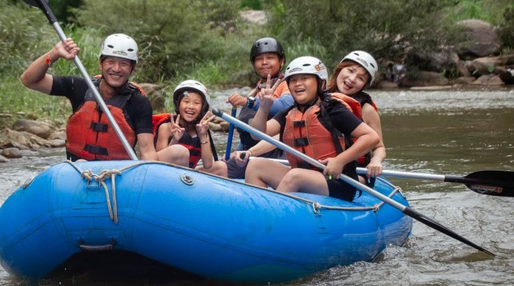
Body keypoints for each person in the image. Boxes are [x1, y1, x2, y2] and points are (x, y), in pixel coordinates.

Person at [20, 33, 188, 164]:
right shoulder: (80, 87)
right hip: (79, 169)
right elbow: (29, 80)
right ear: (101, 64)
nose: (116, 69)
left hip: (118, 173)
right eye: (111, 62)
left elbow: (147, 151)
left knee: (179, 153)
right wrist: (55, 53)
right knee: (82, 162)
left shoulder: (138, 101)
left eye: (124, 64)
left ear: (132, 69)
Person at [244, 56, 380, 201]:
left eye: (305, 78)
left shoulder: (333, 110)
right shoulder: (288, 113)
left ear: (320, 83)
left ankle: (270, 215)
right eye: (294, 80)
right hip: (304, 177)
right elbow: (257, 135)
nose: (298, 84)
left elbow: (371, 137)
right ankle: (258, 208)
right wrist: (264, 108)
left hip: (337, 180)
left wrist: (340, 161)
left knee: (295, 176)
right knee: (256, 166)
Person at [208, 37, 293, 178]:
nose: (264, 62)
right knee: (217, 166)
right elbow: (246, 134)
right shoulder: (256, 90)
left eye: (270, 57)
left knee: (217, 170)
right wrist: (234, 153)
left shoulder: (287, 85)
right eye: (259, 59)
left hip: (275, 155)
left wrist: (247, 102)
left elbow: (285, 105)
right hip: (251, 154)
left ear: (282, 61)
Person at [327, 51, 385, 178]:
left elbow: (379, 147)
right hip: (322, 164)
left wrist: (376, 160)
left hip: (354, 172)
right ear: (340, 69)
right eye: (350, 70)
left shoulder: (367, 110)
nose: (352, 79)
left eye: (361, 78)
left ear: (364, 85)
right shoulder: (319, 97)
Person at [153, 80, 218, 169]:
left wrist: (202, 135)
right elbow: (157, 162)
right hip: (166, 173)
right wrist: (174, 140)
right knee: (180, 151)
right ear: (178, 104)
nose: (191, 106)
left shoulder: (201, 130)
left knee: (221, 167)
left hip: (188, 175)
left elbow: (208, 164)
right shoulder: (166, 127)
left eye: (196, 103)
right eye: (186, 101)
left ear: (202, 108)